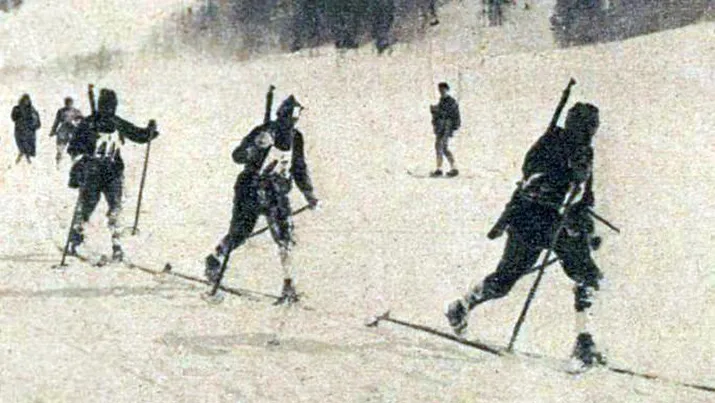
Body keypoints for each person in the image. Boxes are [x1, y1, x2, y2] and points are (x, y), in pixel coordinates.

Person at [445, 102, 606, 369]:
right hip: (530, 220)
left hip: (562, 225)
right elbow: (532, 177)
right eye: (586, 126)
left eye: (593, 127)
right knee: (504, 281)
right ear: (573, 124)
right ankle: (462, 306)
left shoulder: (585, 152)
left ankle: (584, 341)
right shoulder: (551, 142)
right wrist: (556, 183)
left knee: (588, 277)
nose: (590, 132)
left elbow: (585, 197)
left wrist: (585, 224)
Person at [205, 95, 319, 305]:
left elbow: (298, 167)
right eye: (287, 119)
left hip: (276, 191)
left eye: (294, 121)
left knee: (285, 236)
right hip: (251, 188)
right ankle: (216, 257)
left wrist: (309, 194)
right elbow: (237, 156)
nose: (290, 124)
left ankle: (289, 284)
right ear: (280, 116)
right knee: (241, 231)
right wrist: (253, 148)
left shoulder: (296, 138)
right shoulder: (263, 132)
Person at [66, 88, 159, 261]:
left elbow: (136, 134)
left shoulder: (116, 123)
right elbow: (73, 148)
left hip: (112, 172)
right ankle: (76, 239)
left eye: (111, 106)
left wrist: (149, 131)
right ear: (100, 106)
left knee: (116, 207)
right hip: (92, 172)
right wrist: (83, 156)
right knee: (87, 207)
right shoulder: (88, 124)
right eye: (106, 106)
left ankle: (117, 244)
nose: (109, 110)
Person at [430, 82, 460, 177]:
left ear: (447, 89)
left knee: (443, 147)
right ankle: (439, 168)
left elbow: (454, 114)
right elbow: (438, 115)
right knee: (438, 146)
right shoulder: (441, 101)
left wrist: (454, 127)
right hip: (440, 127)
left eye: (443, 90)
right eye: (440, 90)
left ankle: (454, 167)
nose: (441, 91)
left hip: (446, 126)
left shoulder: (451, 101)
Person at [49, 97, 83, 166]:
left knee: (74, 149)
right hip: (63, 130)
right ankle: (58, 164)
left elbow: (81, 120)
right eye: (67, 103)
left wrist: (77, 124)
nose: (68, 104)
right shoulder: (61, 111)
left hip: (73, 130)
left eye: (70, 103)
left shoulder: (76, 111)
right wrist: (53, 131)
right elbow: (57, 121)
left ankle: (74, 164)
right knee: (60, 149)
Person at [11, 94, 41, 164]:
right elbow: (13, 118)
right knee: (21, 145)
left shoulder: (32, 109)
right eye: (25, 100)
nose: (26, 102)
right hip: (20, 130)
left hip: (28, 130)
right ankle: (22, 157)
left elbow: (37, 120)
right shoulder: (17, 108)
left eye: (28, 100)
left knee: (28, 145)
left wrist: (35, 126)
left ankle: (26, 158)